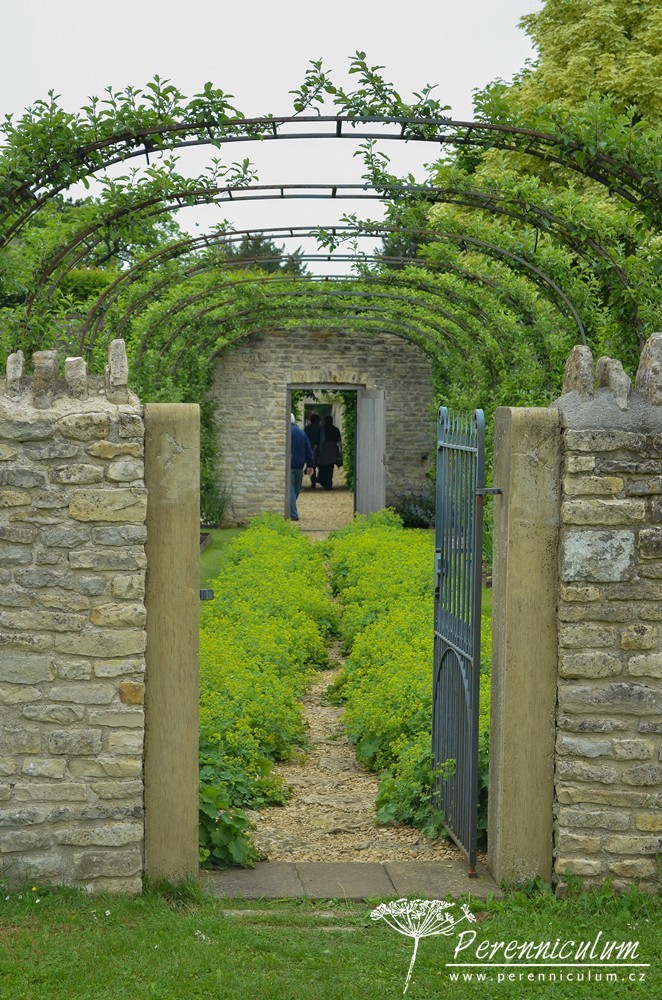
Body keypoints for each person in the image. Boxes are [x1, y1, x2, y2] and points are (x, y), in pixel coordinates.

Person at [290, 413, 314, 520]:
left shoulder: (285, 432)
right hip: (299, 466)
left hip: (289, 466)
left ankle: (292, 513)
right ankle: (292, 511)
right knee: (295, 489)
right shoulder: (301, 433)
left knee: (291, 491)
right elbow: (308, 450)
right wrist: (310, 465)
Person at [316, 414, 342, 490]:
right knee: (330, 467)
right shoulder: (335, 429)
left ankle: (323, 481)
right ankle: (328, 484)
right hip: (332, 449)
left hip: (323, 449)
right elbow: (339, 441)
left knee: (322, 466)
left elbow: (318, 440)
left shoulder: (322, 429)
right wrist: (340, 452)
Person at [304, 412, 321, 487]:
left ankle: (313, 480)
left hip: (309, 449)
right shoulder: (320, 428)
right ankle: (318, 479)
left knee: (311, 465)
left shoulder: (307, 429)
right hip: (319, 449)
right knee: (321, 465)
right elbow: (321, 439)